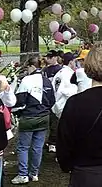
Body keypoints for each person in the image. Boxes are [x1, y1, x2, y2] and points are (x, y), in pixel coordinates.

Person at [57, 44, 102, 187]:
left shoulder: (75, 103)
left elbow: (64, 143)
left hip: (85, 175)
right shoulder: (75, 102)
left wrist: (68, 166)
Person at [11, 57, 55, 184]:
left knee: (23, 147)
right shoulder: (46, 80)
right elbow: (52, 101)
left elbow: (19, 102)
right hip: (44, 117)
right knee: (38, 147)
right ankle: (34, 173)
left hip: (28, 117)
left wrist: (16, 112)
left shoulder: (26, 80)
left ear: (31, 66)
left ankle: (23, 174)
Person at [49, 53, 78, 153]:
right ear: (70, 62)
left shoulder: (59, 73)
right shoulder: (69, 74)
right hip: (64, 105)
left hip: (56, 104)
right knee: (66, 132)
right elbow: (67, 91)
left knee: (61, 131)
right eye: (75, 61)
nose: (76, 63)